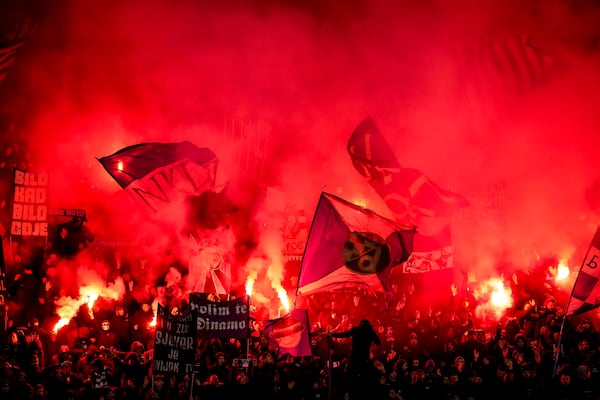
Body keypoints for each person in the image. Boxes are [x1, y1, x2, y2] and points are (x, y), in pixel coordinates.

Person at [329, 319, 381, 397]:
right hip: (364, 358)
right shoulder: (370, 331)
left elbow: (344, 334)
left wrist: (333, 334)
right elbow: (378, 342)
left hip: (354, 357)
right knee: (364, 378)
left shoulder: (356, 329)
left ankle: (347, 393)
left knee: (349, 377)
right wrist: (372, 335)